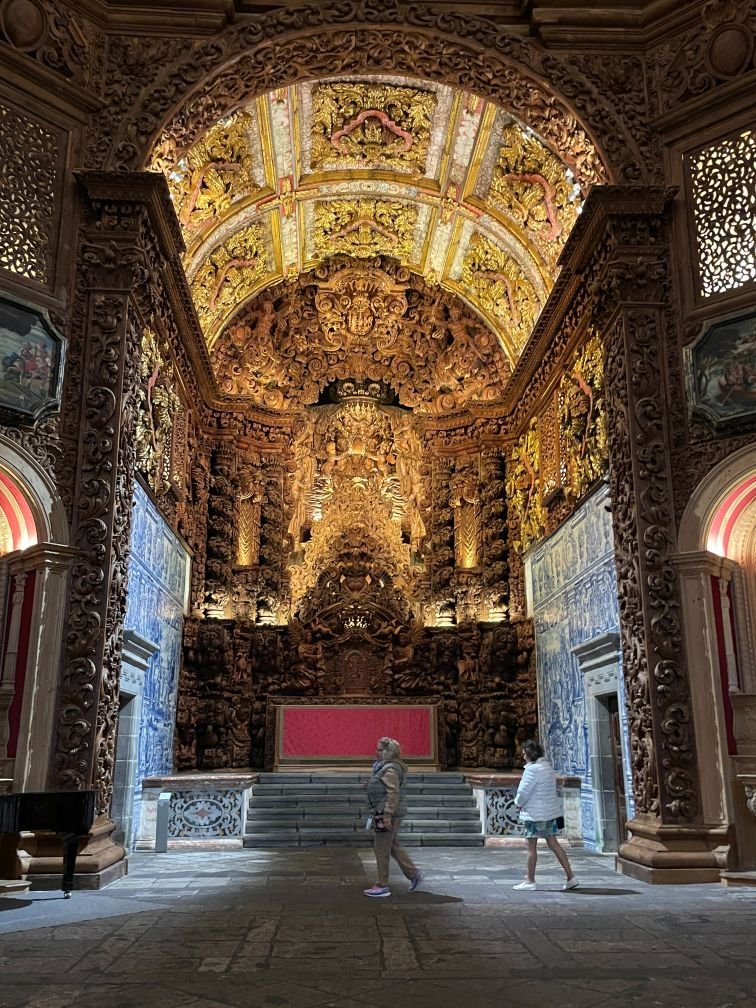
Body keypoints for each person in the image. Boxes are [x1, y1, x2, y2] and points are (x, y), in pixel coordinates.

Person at [513, 738, 579, 891]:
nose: (523, 756)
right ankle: (571, 876)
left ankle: (530, 880)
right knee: (554, 844)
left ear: (530, 754)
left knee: (531, 846)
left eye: (524, 754)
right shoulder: (547, 767)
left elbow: (524, 792)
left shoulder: (532, 770)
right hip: (548, 813)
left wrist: (518, 803)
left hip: (535, 814)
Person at [363, 736, 422, 897]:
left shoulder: (390, 769)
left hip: (387, 813)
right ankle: (413, 873)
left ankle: (382, 885)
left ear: (388, 752)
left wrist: (387, 815)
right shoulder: (385, 767)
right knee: (391, 845)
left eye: (379, 749)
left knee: (381, 847)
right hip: (384, 811)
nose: (376, 752)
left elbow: (393, 793)